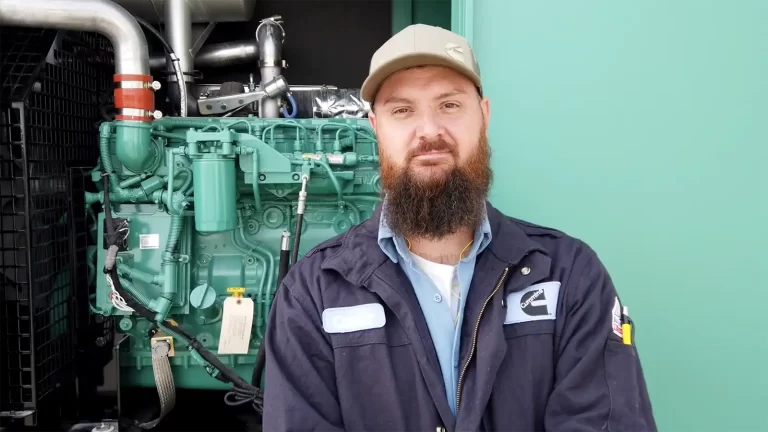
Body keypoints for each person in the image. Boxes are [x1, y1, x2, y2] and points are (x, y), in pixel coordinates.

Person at [262, 24, 657, 432]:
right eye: (402, 110)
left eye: (449, 105)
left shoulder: (570, 276)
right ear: (375, 128)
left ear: (483, 116)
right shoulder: (313, 292)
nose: (429, 131)